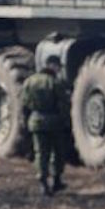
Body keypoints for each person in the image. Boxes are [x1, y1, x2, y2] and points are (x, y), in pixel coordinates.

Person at [21, 55, 69, 196]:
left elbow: (24, 105)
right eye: (58, 66)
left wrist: (26, 122)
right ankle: (56, 181)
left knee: (41, 153)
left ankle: (43, 183)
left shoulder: (29, 82)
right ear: (53, 65)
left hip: (36, 121)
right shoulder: (55, 82)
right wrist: (66, 121)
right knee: (57, 152)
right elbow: (63, 105)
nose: (59, 69)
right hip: (54, 122)